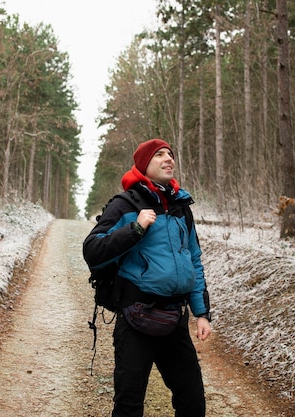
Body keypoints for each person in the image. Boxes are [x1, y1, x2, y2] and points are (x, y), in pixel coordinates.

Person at [83, 138, 212, 417]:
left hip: (175, 317)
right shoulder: (124, 205)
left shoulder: (181, 207)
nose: (169, 159)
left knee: (192, 401)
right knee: (129, 405)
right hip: (135, 316)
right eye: (160, 155)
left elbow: (194, 259)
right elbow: (93, 251)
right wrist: (135, 229)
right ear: (144, 165)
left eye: (170, 155)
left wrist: (201, 313)